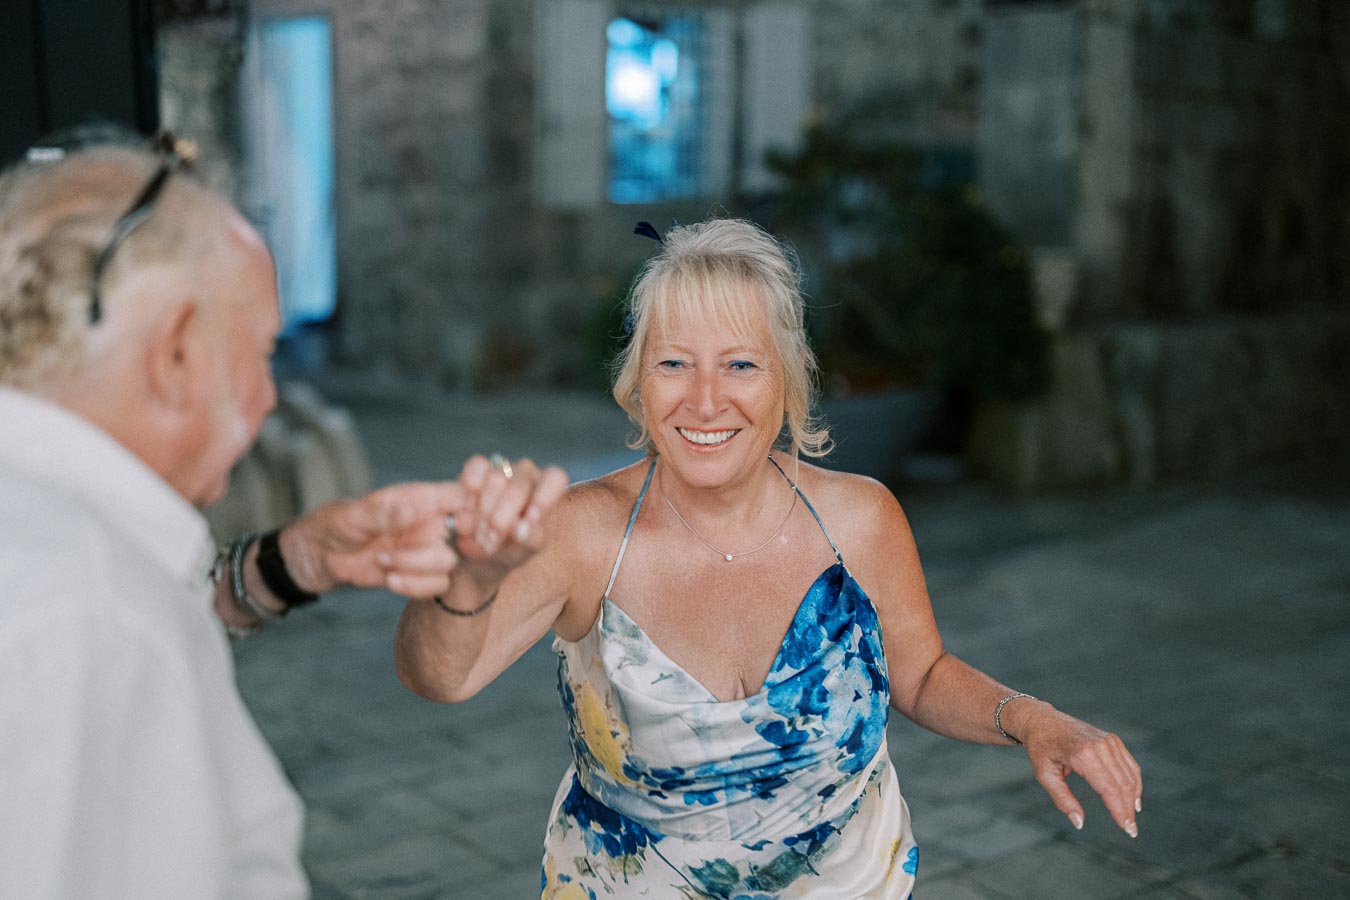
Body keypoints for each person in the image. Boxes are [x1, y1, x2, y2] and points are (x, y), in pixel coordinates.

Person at [395, 218, 1143, 898]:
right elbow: (441, 677)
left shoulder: (861, 516)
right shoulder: (583, 533)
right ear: (637, 382)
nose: (706, 400)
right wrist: (468, 579)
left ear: (788, 377)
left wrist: (1035, 720)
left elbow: (919, 673)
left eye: (742, 365)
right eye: (675, 364)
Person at [0, 135, 567, 897]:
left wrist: (298, 561)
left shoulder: (61, 544)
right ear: (173, 356)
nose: (270, 398)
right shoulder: (75, 612)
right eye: (261, 353)